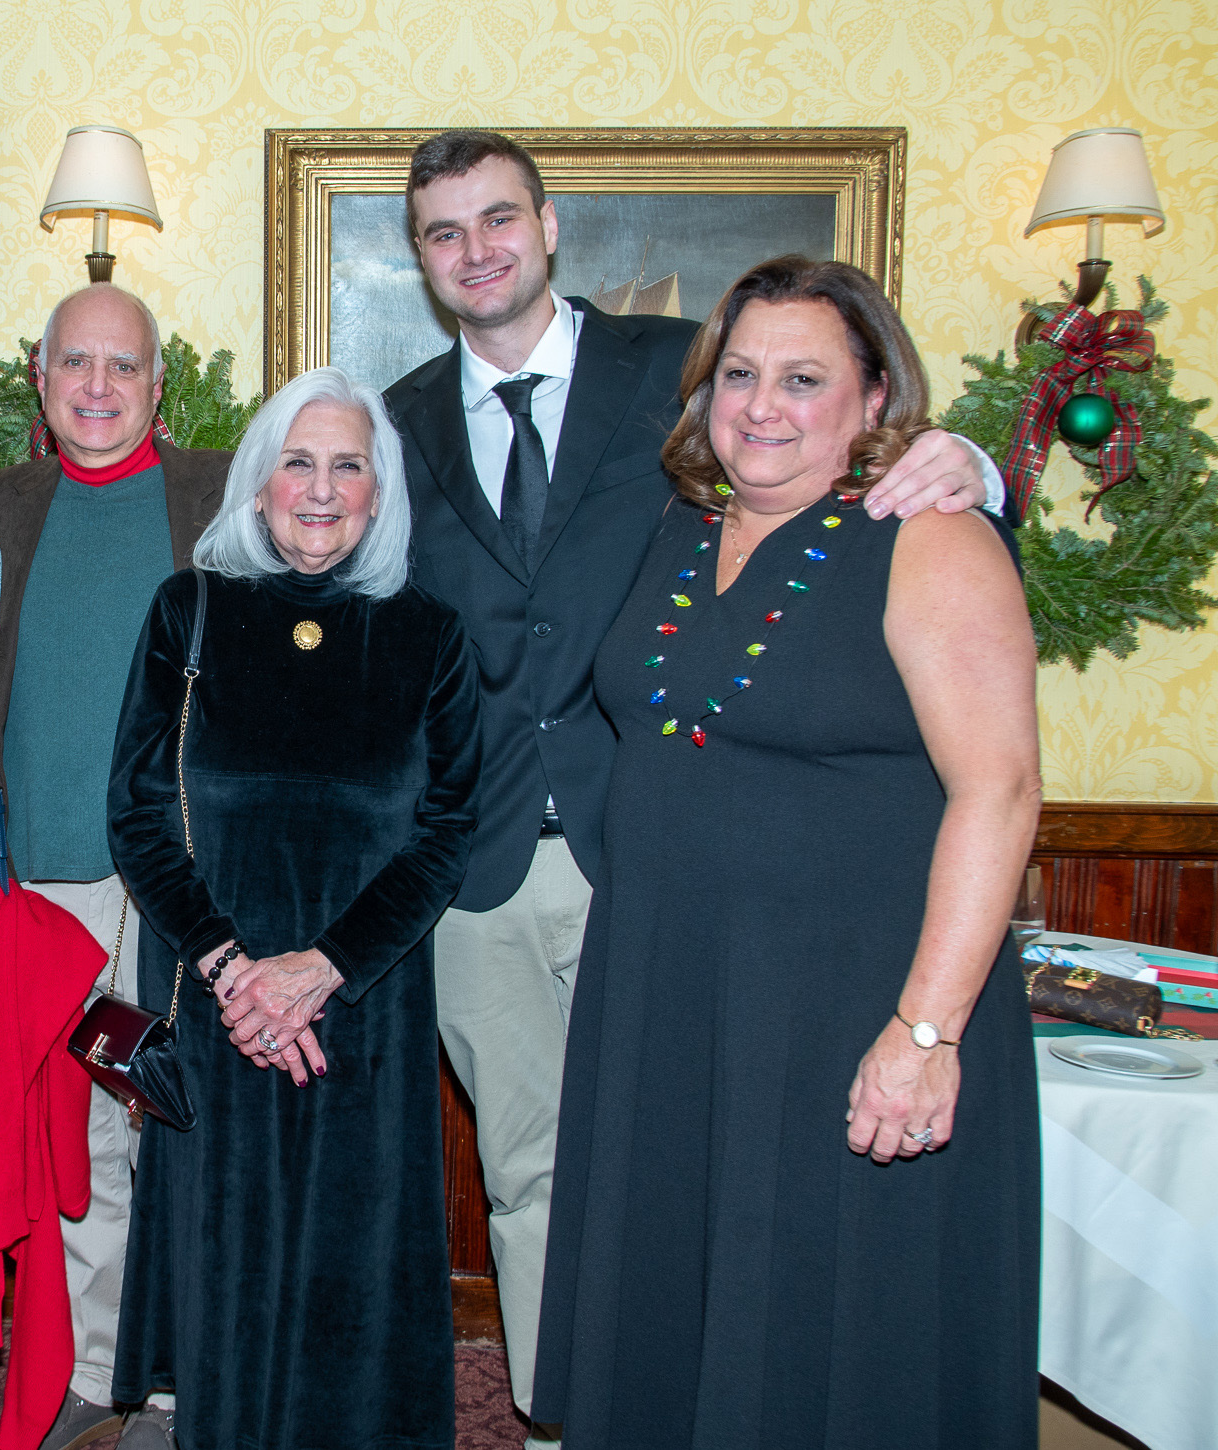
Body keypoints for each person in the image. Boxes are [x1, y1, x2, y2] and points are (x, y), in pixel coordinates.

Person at [383, 131, 1009, 1443]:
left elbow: (843, 457)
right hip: (509, 868)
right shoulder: (396, 423)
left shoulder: (679, 371)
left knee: (785, 1215)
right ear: (423, 259)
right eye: (444, 231)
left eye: (500, 217)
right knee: (587, 1182)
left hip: (646, 864)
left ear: (550, 225)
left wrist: (977, 467)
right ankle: (579, 1412)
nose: (477, 248)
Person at [532, 255, 1041, 1448]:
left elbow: (1001, 791)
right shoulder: (677, 524)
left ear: (874, 400)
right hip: (671, 999)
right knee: (678, 1309)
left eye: (803, 378)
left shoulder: (927, 538)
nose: (760, 406)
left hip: (852, 1010)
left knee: (834, 1339)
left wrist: (924, 1035)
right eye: (739, 374)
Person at [106, 367, 481, 1450]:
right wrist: (235, 970)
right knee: (227, 1251)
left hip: (364, 995)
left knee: (349, 1252)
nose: (319, 489)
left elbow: (444, 828)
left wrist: (319, 970)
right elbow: (135, 811)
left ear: (379, 491)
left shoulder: (427, 635)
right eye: (297, 461)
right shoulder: (191, 609)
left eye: (346, 465)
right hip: (217, 989)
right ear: (260, 480)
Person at [0, 282, 231, 1450]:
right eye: (77, 364)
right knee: (83, 1141)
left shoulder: (222, 496)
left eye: (123, 367)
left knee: (190, 1124)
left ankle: (183, 1382)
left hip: (187, 883)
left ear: (157, 385)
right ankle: (102, 1369)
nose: (99, 388)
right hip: (46, 887)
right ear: (40, 379)